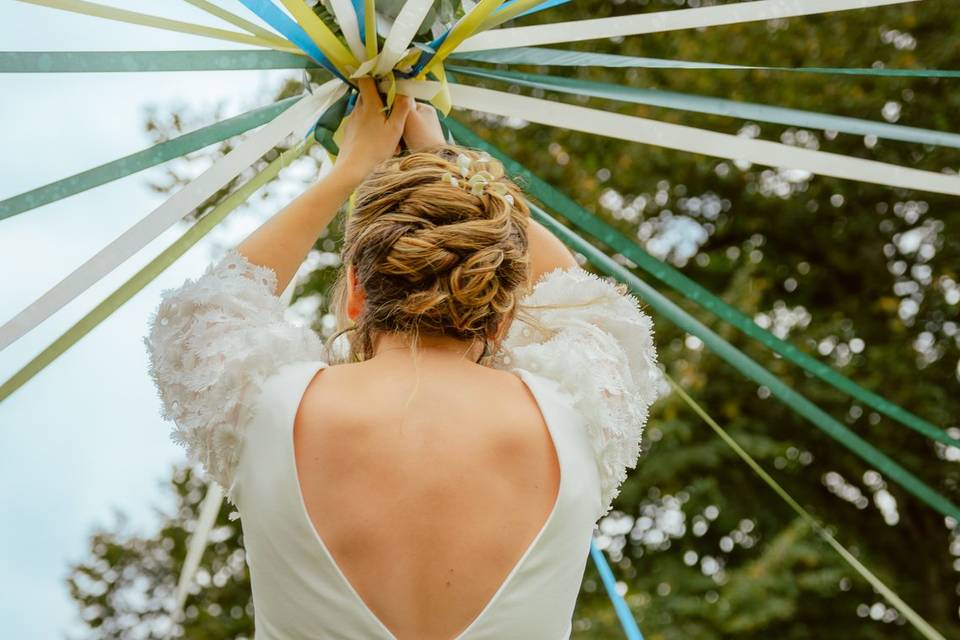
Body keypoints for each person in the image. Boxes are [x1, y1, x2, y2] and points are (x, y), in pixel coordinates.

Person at [144, 78, 660, 640]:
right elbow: (588, 303)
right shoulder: (579, 412)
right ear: (506, 310)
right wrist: (456, 168)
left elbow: (208, 308)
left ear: (357, 292)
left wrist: (350, 169)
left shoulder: (265, 405)